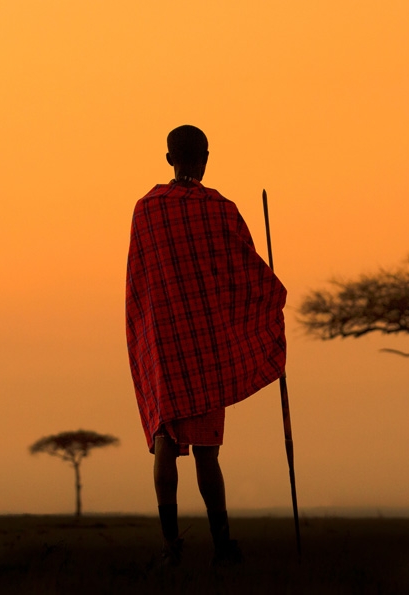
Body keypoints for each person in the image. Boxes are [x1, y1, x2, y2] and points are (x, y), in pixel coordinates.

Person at [125, 125, 287, 566]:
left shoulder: (146, 210)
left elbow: (139, 286)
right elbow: (245, 273)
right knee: (207, 452)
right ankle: (221, 545)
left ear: (168, 158)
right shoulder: (221, 210)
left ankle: (170, 545)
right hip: (206, 347)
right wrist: (272, 297)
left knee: (164, 441)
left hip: (162, 343)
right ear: (207, 157)